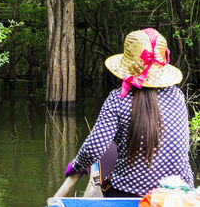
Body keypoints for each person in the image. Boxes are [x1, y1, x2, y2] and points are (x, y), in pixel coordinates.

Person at [64, 28, 194, 197]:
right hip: (178, 193)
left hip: (129, 192)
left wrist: (77, 165)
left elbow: (93, 149)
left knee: (108, 176)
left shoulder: (118, 98)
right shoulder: (177, 95)